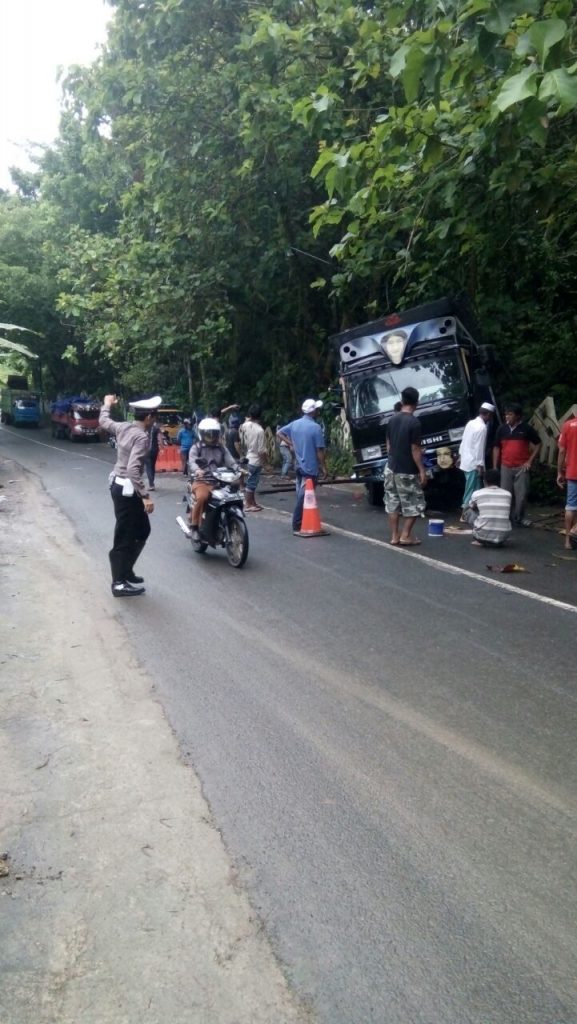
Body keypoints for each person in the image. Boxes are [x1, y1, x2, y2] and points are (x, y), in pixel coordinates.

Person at [99, 394, 161, 597]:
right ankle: (118, 583)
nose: (155, 420)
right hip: (127, 490)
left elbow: (104, 421)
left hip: (121, 487)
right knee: (125, 535)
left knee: (143, 530)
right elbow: (134, 470)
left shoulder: (124, 427)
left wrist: (107, 404)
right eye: (155, 416)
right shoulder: (141, 437)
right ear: (150, 417)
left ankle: (126, 571)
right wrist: (145, 496)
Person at [384, 386, 427, 546]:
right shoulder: (414, 422)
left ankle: (394, 536)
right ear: (417, 403)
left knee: (393, 502)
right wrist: (422, 470)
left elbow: (388, 445)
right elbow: (415, 449)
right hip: (407, 469)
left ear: (402, 401)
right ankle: (405, 535)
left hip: (391, 467)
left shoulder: (392, 419)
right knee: (416, 503)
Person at [277, 399, 327, 534]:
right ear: (313, 411)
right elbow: (319, 451)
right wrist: (324, 467)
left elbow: (279, 432)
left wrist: (291, 443)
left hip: (298, 465)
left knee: (301, 494)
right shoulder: (315, 428)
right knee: (305, 496)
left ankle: (302, 520)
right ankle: (297, 522)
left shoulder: (295, 424)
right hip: (310, 468)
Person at [187, 418, 241, 539]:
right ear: (202, 433)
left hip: (220, 481)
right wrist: (197, 470)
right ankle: (194, 527)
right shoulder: (196, 447)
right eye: (208, 433)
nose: (211, 436)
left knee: (235, 494)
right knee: (202, 498)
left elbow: (230, 461)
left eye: (213, 433)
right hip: (203, 480)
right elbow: (192, 462)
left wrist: (238, 468)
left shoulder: (222, 448)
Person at [492, 403, 540, 526]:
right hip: (505, 466)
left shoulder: (526, 428)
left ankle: (519, 517)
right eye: (506, 414)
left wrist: (529, 461)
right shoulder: (501, 429)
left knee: (521, 495)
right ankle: (505, 517)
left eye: (510, 414)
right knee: (505, 494)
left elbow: (538, 444)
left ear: (518, 416)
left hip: (521, 467)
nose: (507, 417)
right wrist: (495, 466)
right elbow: (496, 447)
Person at [458, 402, 495, 519]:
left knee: (477, 489)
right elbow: (479, 448)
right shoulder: (482, 427)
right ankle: (464, 514)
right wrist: (480, 465)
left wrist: (460, 456)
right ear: (488, 414)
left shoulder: (471, 423)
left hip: (466, 461)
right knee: (471, 489)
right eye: (491, 415)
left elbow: (464, 441)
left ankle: (476, 513)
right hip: (474, 464)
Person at [464, 468, 512, 547]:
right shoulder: (508, 494)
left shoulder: (477, 493)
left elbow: (471, 507)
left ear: (484, 481)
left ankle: (480, 538)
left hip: (481, 536)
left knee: (468, 510)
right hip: (504, 536)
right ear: (499, 481)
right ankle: (497, 537)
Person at [239, 404, 267, 512]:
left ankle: (252, 502)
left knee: (252, 482)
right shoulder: (260, 430)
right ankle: (248, 504)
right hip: (255, 460)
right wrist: (266, 464)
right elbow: (261, 451)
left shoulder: (244, 426)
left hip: (247, 456)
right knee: (251, 483)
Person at [557, 414, 577, 549]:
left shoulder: (567, 425)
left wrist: (559, 471)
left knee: (571, 506)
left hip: (572, 472)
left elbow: (562, 450)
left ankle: (567, 541)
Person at [144, 420, 166, 491]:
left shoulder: (145, 428)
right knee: (152, 466)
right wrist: (162, 448)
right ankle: (152, 482)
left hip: (147, 450)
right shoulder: (156, 429)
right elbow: (160, 438)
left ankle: (151, 484)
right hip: (155, 450)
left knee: (148, 467)